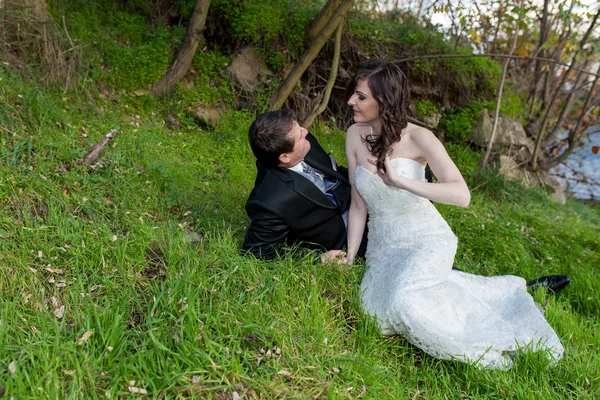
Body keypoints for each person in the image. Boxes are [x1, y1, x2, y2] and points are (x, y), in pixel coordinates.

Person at [344, 60, 564, 370]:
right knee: (375, 313)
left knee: (402, 303)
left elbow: (462, 195)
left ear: (385, 100)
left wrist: (403, 182)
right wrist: (351, 256)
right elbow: (358, 205)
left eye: (361, 96)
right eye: (354, 94)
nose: (352, 101)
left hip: (426, 238)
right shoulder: (354, 135)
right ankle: (493, 290)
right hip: (383, 248)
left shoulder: (421, 138)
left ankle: (494, 347)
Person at [242, 110, 367, 263]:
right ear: (285, 157)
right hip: (349, 237)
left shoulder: (304, 143)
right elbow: (257, 252)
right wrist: (317, 259)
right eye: (300, 135)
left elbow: (335, 173)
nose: (305, 131)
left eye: (300, 128)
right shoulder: (269, 201)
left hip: (359, 200)